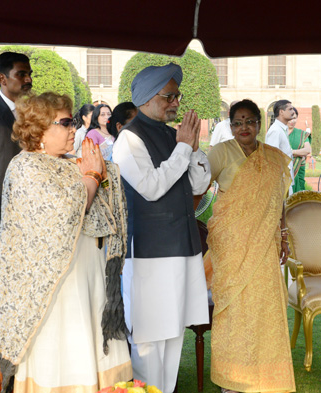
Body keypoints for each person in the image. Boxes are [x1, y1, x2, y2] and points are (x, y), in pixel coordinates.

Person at [0, 92, 131, 393]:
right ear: (38, 129)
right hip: (57, 287)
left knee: (94, 344)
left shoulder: (72, 163)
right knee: (67, 349)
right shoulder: (27, 167)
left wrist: (99, 172)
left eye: (73, 121)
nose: (73, 128)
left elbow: (105, 200)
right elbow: (66, 210)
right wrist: (93, 176)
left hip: (92, 278)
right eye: (65, 122)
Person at [112, 63, 210, 393]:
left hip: (182, 249)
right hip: (149, 255)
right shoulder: (128, 139)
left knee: (174, 334)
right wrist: (183, 148)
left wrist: (192, 148)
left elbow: (199, 183)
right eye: (169, 96)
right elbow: (151, 187)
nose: (176, 103)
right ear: (147, 98)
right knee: (149, 339)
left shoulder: (174, 135)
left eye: (176, 96)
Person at [207, 99, 295, 393]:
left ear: (260, 123)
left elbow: (276, 199)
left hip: (264, 244)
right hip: (231, 245)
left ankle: (266, 373)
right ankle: (232, 377)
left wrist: (283, 233)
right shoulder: (219, 153)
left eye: (250, 121)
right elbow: (197, 188)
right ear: (230, 126)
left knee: (264, 307)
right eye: (237, 122)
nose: (244, 128)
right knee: (234, 307)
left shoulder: (273, 157)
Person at [0, 52, 32, 225]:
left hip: (28, 203)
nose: (28, 80)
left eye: (29, 74)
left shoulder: (32, 112)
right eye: (21, 74)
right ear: (2, 79)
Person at [265, 99, 294, 194]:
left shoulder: (282, 129)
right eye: (290, 109)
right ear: (281, 112)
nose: (293, 112)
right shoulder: (275, 131)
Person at [287, 108, 311, 193]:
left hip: (297, 172)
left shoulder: (302, 134)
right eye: (290, 118)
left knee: (298, 198)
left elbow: (307, 150)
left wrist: (291, 152)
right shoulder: (279, 133)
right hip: (281, 174)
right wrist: (299, 153)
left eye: (295, 118)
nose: (292, 120)